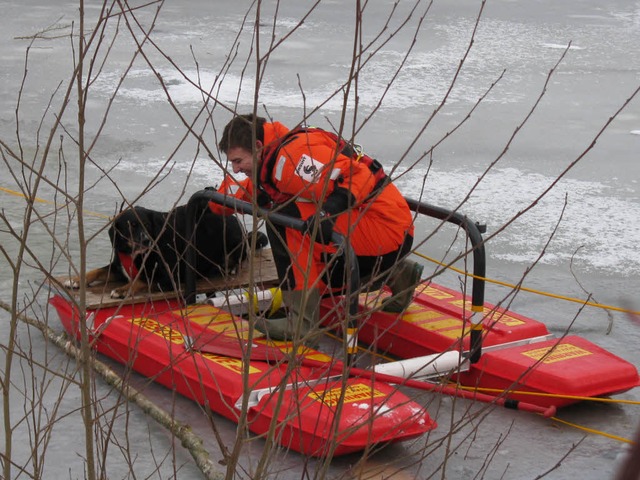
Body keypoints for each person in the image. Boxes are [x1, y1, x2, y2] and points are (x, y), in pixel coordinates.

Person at [210, 113, 423, 343]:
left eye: (238, 161)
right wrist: (215, 200)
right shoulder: (275, 156)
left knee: (283, 220)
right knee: (292, 216)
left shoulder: (293, 157)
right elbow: (255, 189)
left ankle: (301, 322)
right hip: (386, 228)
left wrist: (327, 212)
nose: (236, 168)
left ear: (258, 146)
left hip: (382, 227)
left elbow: (356, 175)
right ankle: (400, 273)